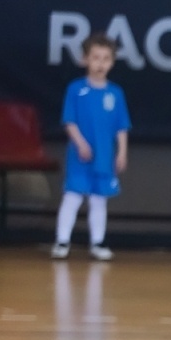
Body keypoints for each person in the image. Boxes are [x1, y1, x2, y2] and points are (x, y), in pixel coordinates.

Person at [54, 33, 129, 261]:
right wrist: (80, 143)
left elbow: (121, 127)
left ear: (112, 63)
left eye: (106, 58)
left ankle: (98, 243)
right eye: (95, 58)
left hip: (105, 156)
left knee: (99, 200)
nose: (100, 63)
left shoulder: (116, 93)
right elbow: (69, 121)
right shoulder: (76, 89)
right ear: (85, 60)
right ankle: (62, 241)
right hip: (80, 155)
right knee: (73, 197)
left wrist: (122, 152)